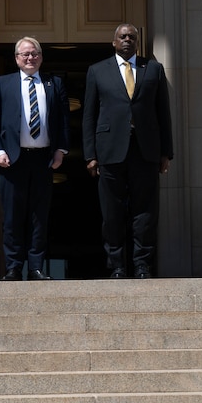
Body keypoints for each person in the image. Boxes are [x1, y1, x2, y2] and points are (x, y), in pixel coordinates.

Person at [82, 23, 174, 279]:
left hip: (145, 152)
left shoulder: (153, 69)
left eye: (132, 37)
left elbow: (163, 114)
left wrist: (166, 152)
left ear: (137, 42)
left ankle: (142, 264)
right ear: (114, 42)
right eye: (122, 37)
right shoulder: (97, 71)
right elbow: (89, 116)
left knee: (145, 212)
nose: (127, 40)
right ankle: (117, 266)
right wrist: (90, 155)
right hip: (109, 152)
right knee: (112, 213)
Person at [0, 37, 70, 281]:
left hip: (43, 159)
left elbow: (63, 121)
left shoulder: (54, 84)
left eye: (34, 54)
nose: (30, 58)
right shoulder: (3, 84)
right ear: (16, 58)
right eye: (25, 54)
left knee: (38, 216)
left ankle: (36, 268)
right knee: (12, 216)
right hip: (12, 161)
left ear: (41, 57)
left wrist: (61, 151)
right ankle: (13, 267)